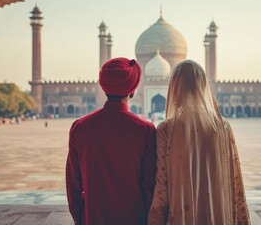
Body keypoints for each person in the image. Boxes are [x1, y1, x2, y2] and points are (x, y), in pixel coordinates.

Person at [148, 60, 250, 225]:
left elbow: (162, 184)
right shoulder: (223, 126)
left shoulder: (167, 128)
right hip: (218, 215)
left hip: (182, 215)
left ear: (174, 88)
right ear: (203, 86)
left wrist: (154, 220)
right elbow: (234, 180)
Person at [66, 57, 157, 225]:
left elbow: (73, 185)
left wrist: (82, 218)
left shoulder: (80, 127)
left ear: (104, 87)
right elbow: (149, 187)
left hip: (93, 217)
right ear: (133, 90)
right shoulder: (145, 130)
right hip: (133, 218)